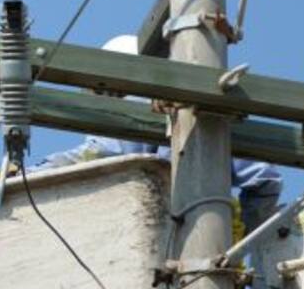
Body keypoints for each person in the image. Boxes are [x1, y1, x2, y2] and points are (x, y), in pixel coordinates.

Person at [34, 35, 283, 232]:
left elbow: (91, 155)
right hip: (195, 255)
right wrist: (241, 237)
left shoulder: (133, 122)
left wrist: (25, 176)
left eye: (109, 93)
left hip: (156, 250)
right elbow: (265, 181)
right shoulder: (214, 122)